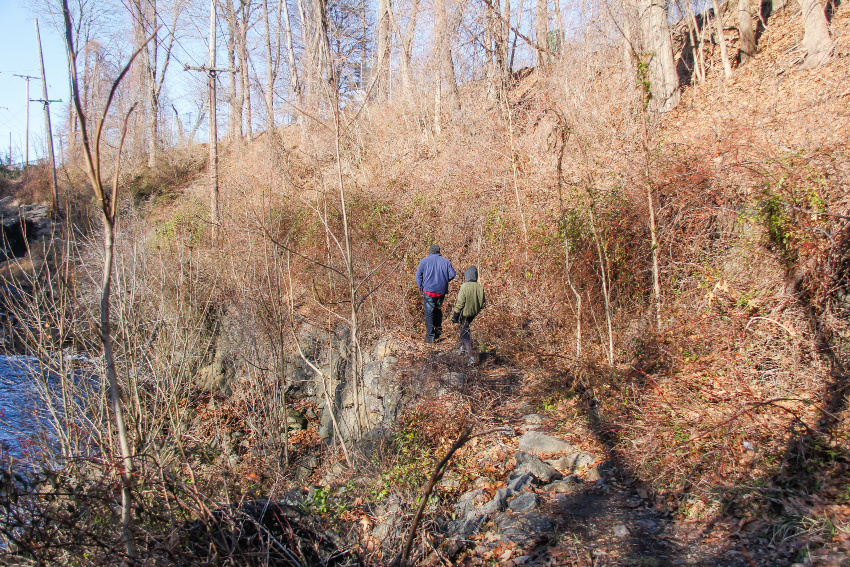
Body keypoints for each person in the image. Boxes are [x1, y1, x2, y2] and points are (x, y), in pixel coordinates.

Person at [415, 244, 456, 343]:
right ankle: (437, 334)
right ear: (439, 252)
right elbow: (453, 274)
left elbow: (418, 275)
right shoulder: (446, 261)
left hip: (428, 291)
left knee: (429, 313)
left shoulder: (424, 261)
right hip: (441, 292)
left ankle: (430, 337)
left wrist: (421, 287)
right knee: (437, 311)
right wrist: (444, 281)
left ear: (430, 252)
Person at [451, 266, 486, 365]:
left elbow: (460, 302)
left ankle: (471, 358)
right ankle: (462, 348)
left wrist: (455, 315)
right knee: (463, 328)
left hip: (465, 314)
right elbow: (483, 304)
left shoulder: (464, 286)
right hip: (474, 314)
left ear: (467, 276)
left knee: (466, 334)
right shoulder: (480, 287)